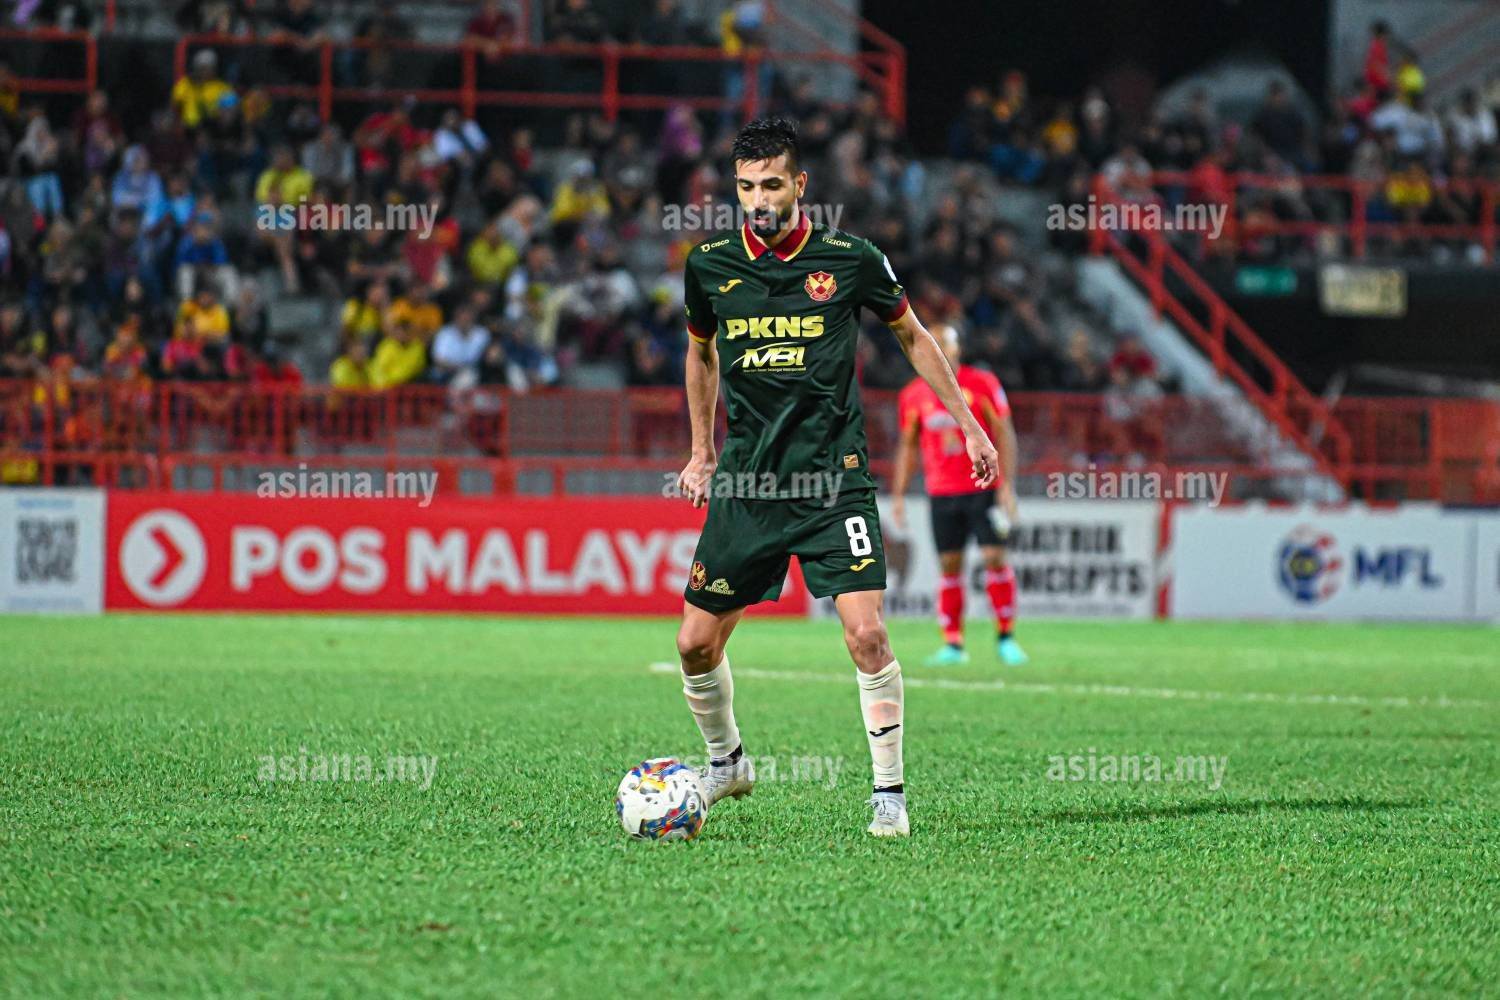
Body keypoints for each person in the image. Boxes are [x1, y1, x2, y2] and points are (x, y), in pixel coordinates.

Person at [673, 118, 1000, 838]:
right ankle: (726, 763)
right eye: (746, 187)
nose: (759, 200)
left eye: (771, 184)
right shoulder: (710, 266)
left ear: (800, 184)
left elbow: (912, 335)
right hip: (749, 485)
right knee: (694, 644)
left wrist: (969, 425)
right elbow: (700, 354)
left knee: (867, 636)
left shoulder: (850, 259)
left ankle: (889, 794)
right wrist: (700, 453)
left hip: (833, 481)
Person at [890, 323, 1024, 667]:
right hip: (942, 492)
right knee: (949, 565)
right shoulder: (913, 395)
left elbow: (1004, 432)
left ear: (957, 348)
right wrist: (899, 494)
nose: (940, 350)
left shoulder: (982, 383)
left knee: (994, 556)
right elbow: (908, 447)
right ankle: (953, 644)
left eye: (945, 344)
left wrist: (1007, 485)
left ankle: (1006, 637)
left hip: (984, 488)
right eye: (933, 344)